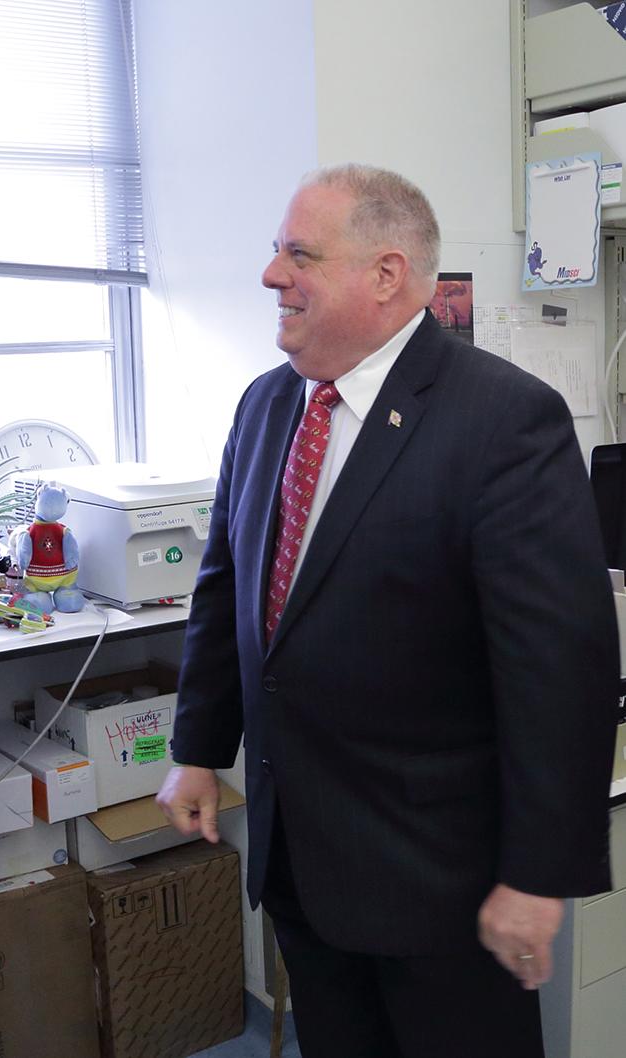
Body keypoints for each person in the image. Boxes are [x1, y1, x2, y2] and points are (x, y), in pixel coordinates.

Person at [156, 164, 618, 1058]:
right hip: (302, 859)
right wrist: (198, 750)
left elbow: (561, 671)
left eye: (300, 255)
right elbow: (229, 589)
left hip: (439, 883)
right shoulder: (265, 408)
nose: (270, 276)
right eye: (275, 252)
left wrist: (536, 876)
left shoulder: (504, 421)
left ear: (387, 274)